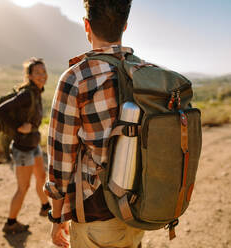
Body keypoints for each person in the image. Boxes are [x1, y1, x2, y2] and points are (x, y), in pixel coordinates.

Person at [44, 1, 144, 247]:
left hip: (97, 210)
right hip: (141, 207)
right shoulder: (144, 72)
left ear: (87, 25)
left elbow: (61, 158)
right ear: (125, 26)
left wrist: (57, 217)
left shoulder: (76, 78)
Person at [0, 57, 51, 234]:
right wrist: (18, 128)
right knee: (23, 187)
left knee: (41, 177)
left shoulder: (37, 91)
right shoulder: (27, 94)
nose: (42, 75)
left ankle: (45, 207)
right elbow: (0, 111)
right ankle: (10, 223)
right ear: (29, 75)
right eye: (38, 72)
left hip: (33, 145)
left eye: (44, 72)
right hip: (22, 149)